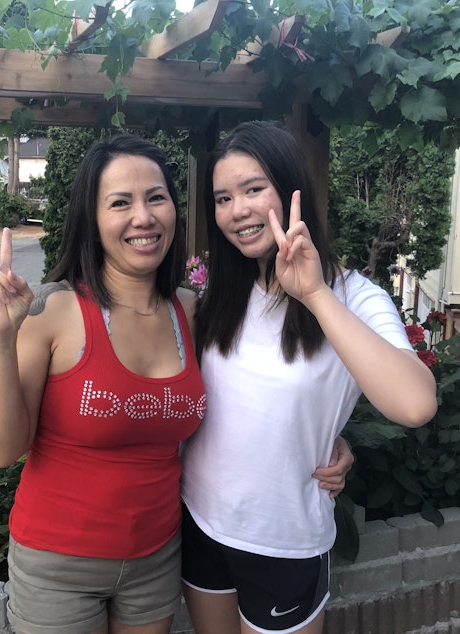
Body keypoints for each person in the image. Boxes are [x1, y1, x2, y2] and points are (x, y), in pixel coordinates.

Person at [0, 132, 353, 634]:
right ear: (93, 218)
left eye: (156, 198)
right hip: (58, 562)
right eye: (120, 203)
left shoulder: (192, 311)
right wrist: (0, 338)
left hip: (155, 558)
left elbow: (253, 393)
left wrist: (329, 437)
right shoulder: (56, 310)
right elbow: (3, 450)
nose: (143, 217)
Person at [180, 120, 438, 634]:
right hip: (201, 518)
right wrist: (322, 430)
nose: (238, 211)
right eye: (223, 197)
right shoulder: (220, 297)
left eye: (254, 189)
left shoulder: (353, 297)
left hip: (284, 537)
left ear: (291, 187)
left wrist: (315, 295)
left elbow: (415, 405)